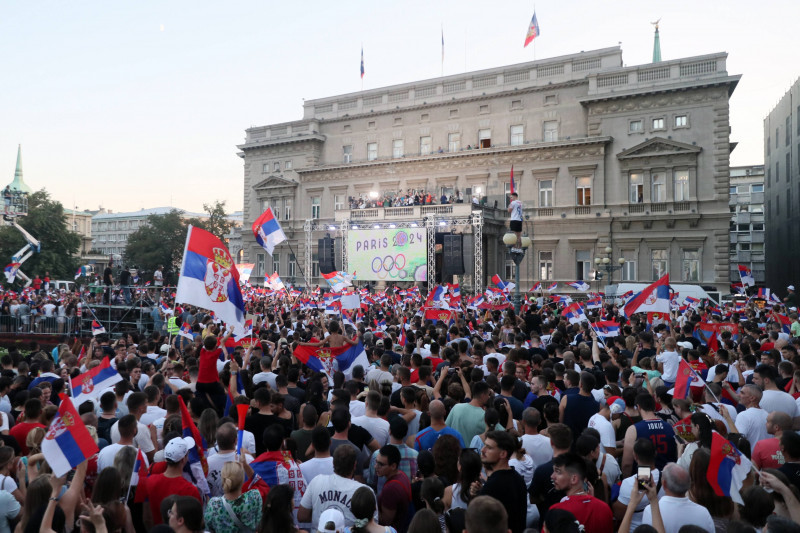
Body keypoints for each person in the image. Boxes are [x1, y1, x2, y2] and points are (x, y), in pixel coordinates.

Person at [299, 445, 370, 529]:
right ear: (355, 465)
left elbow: (302, 516)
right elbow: (371, 526)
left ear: (333, 463)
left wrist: (319, 518)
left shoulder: (316, 481)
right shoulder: (365, 492)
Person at [138, 436, 202, 525]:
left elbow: (147, 518)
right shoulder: (191, 490)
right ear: (183, 459)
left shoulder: (149, 482)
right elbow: (197, 523)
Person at [475, 430, 528, 533]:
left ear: (503, 454)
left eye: (489, 448)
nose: (483, 450)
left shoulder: (493, 486)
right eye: (484, 445)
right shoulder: (517, 478)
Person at [548, 452, 614, 533]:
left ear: (574, 479)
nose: (552, 476)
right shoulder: (605, 508)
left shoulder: (556, 510)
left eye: (558, 472)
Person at [203, 461, 262, 533]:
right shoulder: (254, 498)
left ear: (223, 479)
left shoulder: (214, 504)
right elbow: (260, 524)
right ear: (242, 480)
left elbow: (207, 529)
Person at [376, 445, 412, 533]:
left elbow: (386, 522)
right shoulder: (402, 475)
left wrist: (371, 508)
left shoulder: (391, 489)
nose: (376, 467)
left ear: (393, 466)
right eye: (376, 462)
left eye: (381, 464)